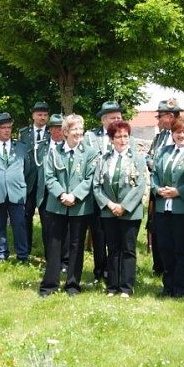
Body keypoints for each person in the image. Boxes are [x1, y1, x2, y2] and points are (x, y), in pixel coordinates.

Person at [39, 114, 98, 297]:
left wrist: (74, 196)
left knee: (76, 246)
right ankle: (50, 285)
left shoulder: (90, 152)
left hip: (79, 207)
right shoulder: (54, 152)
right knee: (54, 246)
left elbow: (90, 178)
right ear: (65, 132)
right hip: (56, 206)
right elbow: (49, 177)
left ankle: (72, 285)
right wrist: (61, 194)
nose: (78, 132)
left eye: (81, 129)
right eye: (74, 129)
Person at [92, 121, 148, 297]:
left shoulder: (137, 159)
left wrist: (124, 207)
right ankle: (112, 286)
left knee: (128, 249)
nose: (122, 140)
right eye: (118, 137)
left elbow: (140, 186)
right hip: (108, 211)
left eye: (125, 136)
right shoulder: (103, 159)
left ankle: (126, 287)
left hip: (130, 212)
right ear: (111, 139)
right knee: (113, 248)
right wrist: (110, 205)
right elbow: (96, 186)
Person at [151, 116, 184, 298]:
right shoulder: (163, 151)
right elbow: (154, 174)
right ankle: (168, 285)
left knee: (181, 248)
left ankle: (182, 287)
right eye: (178, 132)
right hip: (163, 207)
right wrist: (158, 190)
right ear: (172, 134)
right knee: (165, 247)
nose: (182, 135)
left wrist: (178, 192)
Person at [83, 100, 128, 283]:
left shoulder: (126, 137)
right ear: (103, 120)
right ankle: (99, 270)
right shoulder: (90, 137)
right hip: (97, 194)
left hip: (118, 195)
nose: (116, 120)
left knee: (117, 235)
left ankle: (115, 270)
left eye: (119, 117)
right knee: (98, 234)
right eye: (112, 118)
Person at [0, 112, 32, 262]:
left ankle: (22, 255)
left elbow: (27, 169)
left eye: (9, 127)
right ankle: (1, 254)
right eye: (3, 127)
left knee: (19, 224)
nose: (7, 130)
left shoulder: (21, 148)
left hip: (16, 190)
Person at [146, 99, 181, 276]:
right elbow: (149, 157)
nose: (158, 120)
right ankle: (159, 266)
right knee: (156, 228)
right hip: (158, 190)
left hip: (177, 193)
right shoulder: (159, 137)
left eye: (160, 116)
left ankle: (173, 268)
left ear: (169, 116)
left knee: (175, 233)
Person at [33, 113, 68, 263]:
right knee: (47, 228)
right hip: (45, 193)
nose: (59, 132)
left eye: (61, 128)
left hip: (63, 192)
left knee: (65, 229)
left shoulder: (69, 147)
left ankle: (65, 260)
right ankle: (51, 259)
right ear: (50, 130)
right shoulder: (40, 147)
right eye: (56, 128)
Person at [21, 101, 51, 248]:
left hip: (45, 182)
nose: (42, 118)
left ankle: (49, 251)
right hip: (28, 182)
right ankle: (25, 249)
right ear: (33, 115)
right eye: (39, 114)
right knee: (26, 215)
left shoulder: (52, 133)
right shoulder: (24, 134)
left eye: (45, 115)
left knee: (46, 218)